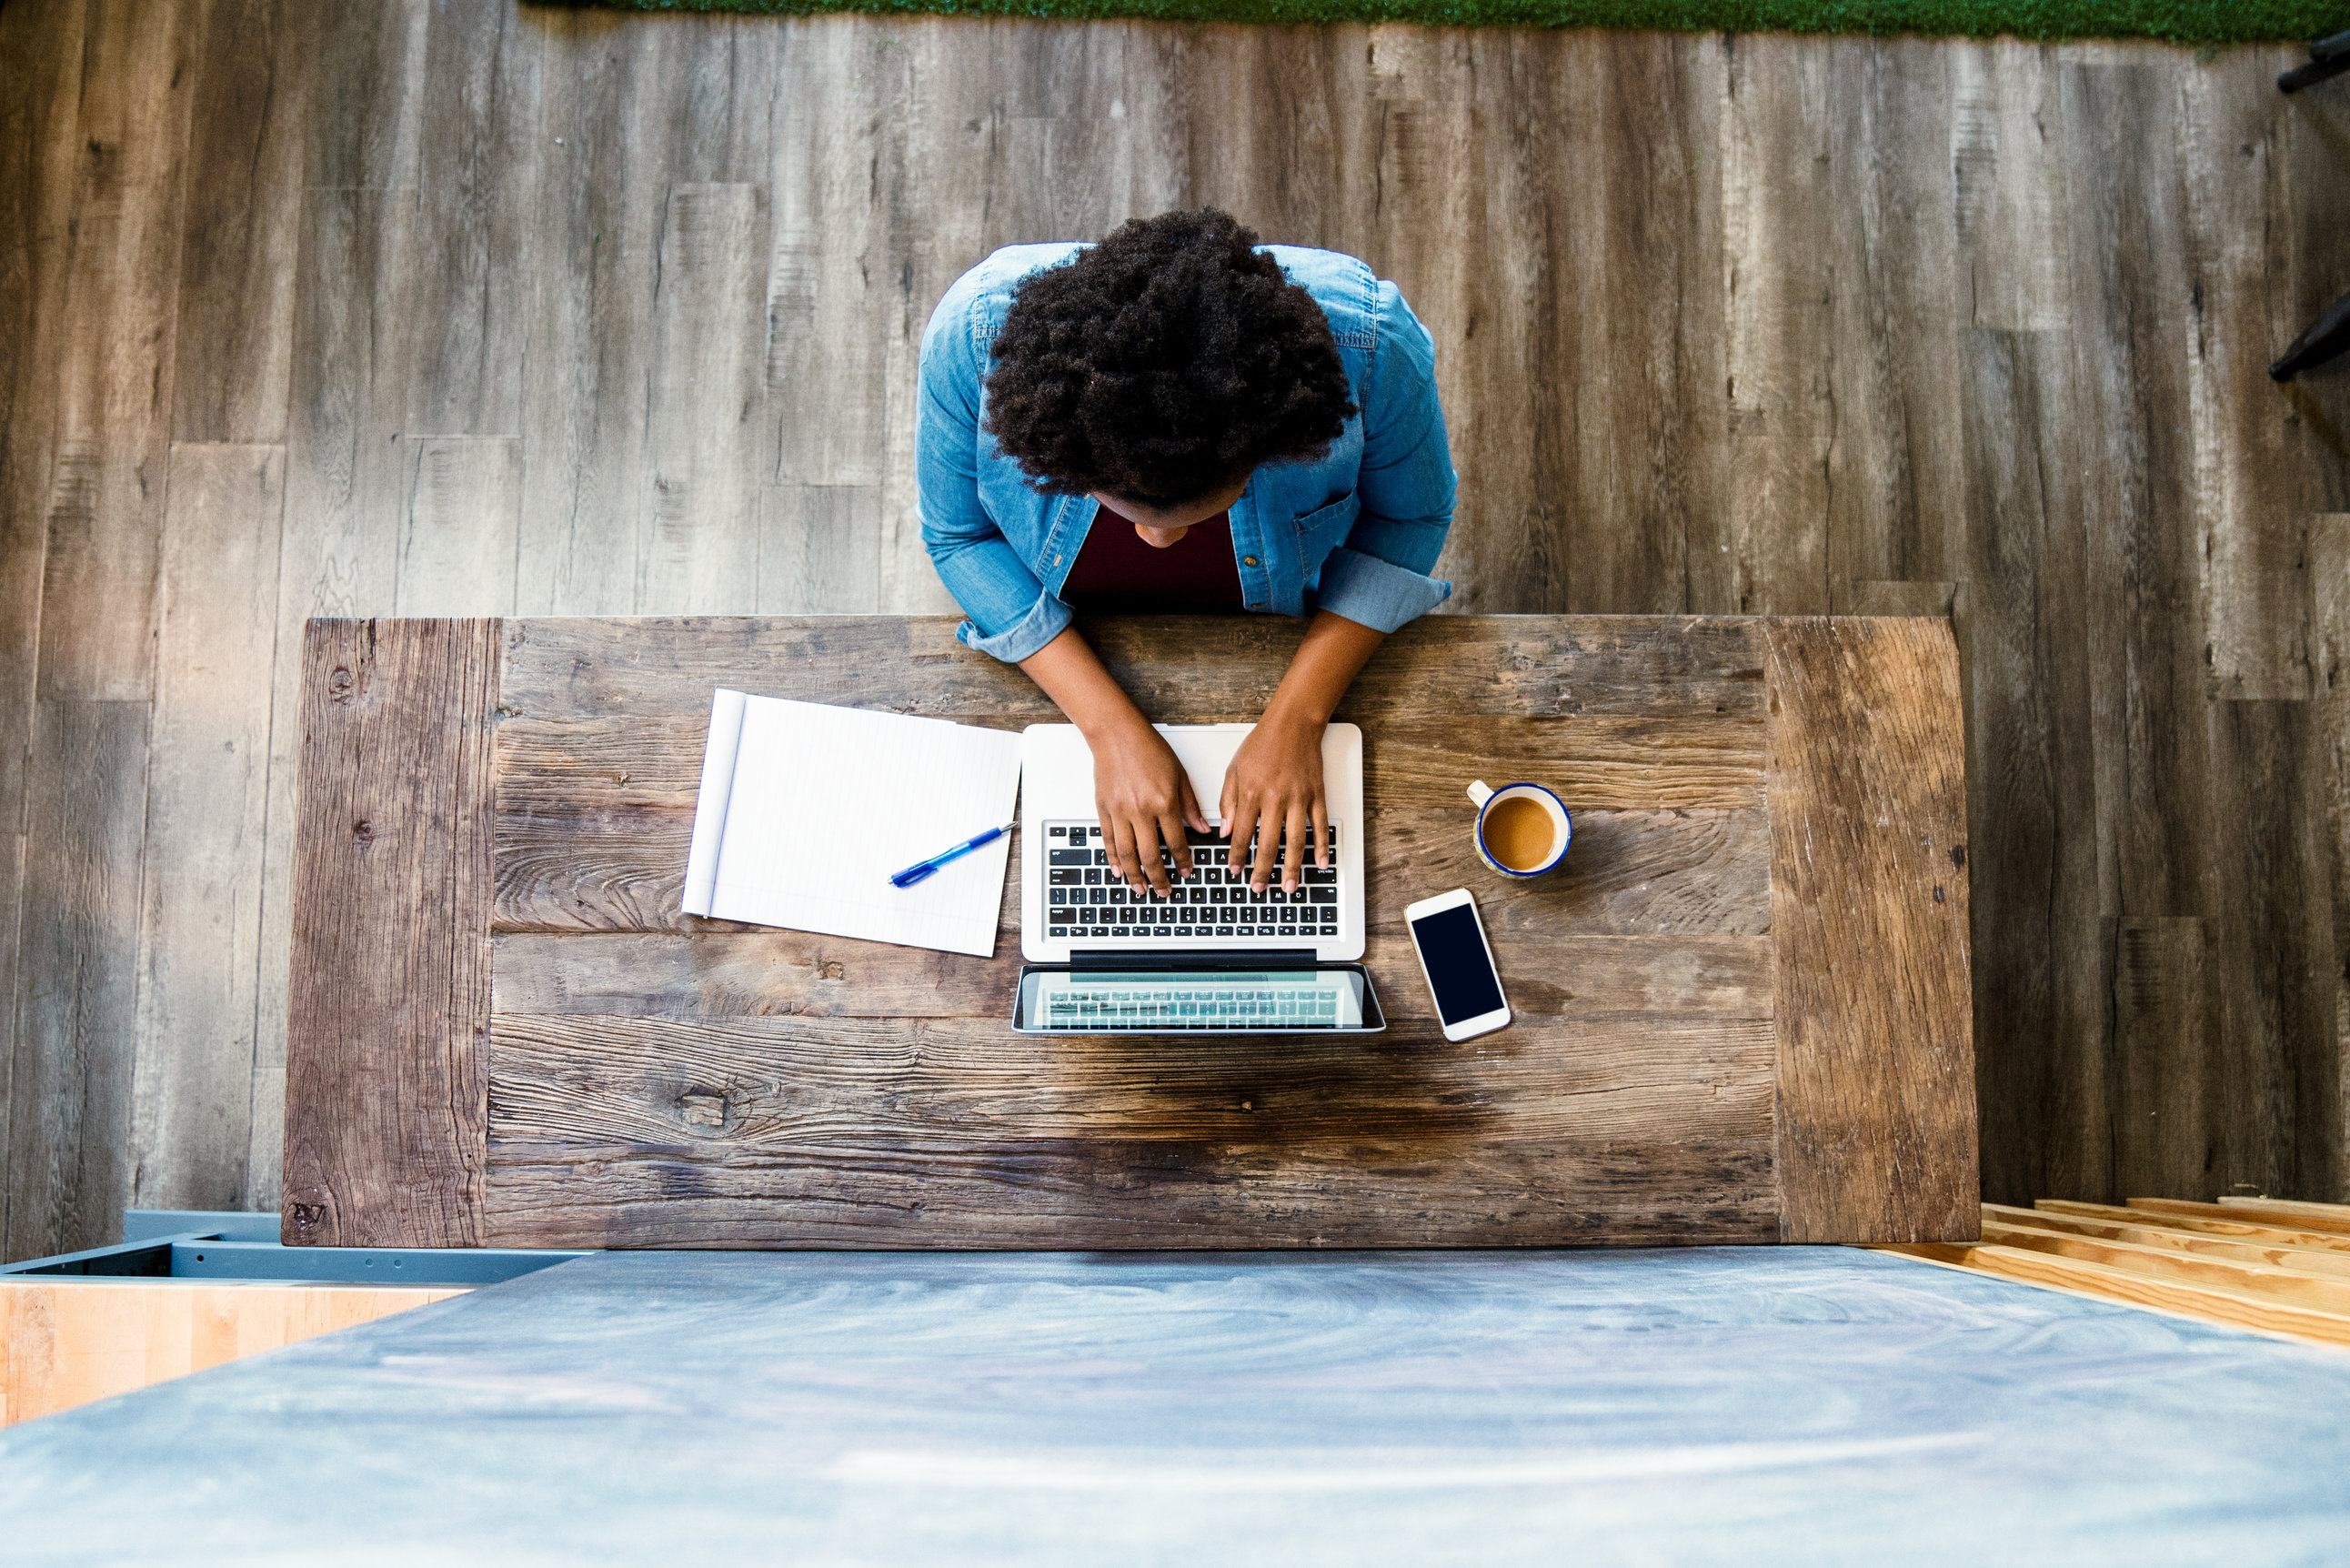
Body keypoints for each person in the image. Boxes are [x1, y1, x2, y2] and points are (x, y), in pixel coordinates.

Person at [917, 207, 1457, 905]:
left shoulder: (1373, 345)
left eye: (1194, 515)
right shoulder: (975, 336)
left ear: (1272, 448)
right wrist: (1108, 729)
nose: (1158, 545)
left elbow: (1411, 514)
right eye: (1128, 509)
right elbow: (958, 537)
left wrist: (1298, 718)